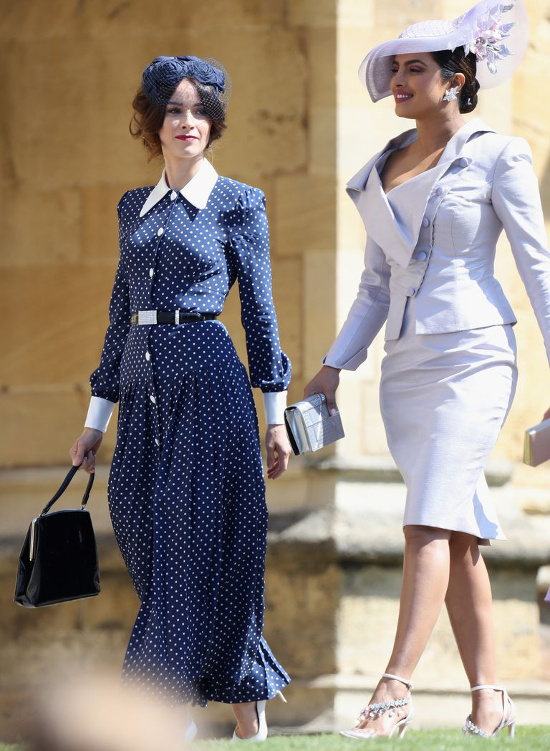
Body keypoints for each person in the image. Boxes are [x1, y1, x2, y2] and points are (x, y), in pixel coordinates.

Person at [305, 0, 550, 739]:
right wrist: (332, 366)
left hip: (475, 356)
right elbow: (374, 287)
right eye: (395, 69)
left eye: (416, 68)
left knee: (425, 524)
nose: (400, 79)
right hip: (404, 368)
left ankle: (392, 690)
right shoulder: (378, 171)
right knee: (457, 532)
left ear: (455, 79)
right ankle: (491, 699)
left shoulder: (500, 155)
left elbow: (538, 269)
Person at [70, 55, 292, 742]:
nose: (187, 122)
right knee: (145, 536)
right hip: (141, 397)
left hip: (209, 387)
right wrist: (95, 419)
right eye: (174, 110)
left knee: (194, 544)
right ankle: (242, 698)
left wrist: (276, 417)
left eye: (200, 111)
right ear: (153, 122)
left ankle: (166, 709)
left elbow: (260, 314)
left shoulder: (239, 203)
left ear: (215, 124)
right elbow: (119, 315)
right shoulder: (130, 208)